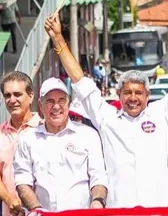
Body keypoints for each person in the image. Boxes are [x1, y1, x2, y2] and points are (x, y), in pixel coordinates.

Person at [44, 12, 168, 208]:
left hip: (158, 210)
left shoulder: (161, 113)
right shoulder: (107, 117)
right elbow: (80, 80)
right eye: (127, 92)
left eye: (138, 93)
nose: (133, 98)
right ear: (119, 94)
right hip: (119, 210)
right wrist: (57, 37)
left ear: (147, 95)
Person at [13, 78, 108, 212]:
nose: (56, 106)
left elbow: (98, 177)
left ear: (68, 103)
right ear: (40, 105)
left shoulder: (89, 135)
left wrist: (98, 201)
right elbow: (22, 181)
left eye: (61, 100)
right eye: (50, 101)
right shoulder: (27, 139)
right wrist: (37, 210)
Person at [0, 71, 42, 216]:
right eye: (7, 95)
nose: (12, 100)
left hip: (44, 212)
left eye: (17, 94)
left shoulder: (45, 130)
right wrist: (9, 199)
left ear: (31, 97)